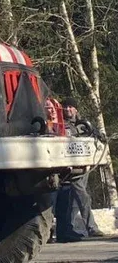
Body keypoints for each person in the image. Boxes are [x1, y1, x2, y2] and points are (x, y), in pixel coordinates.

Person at [54, 97, 106, 242]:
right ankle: (87, 228)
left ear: (76, 109)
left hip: (82, 167)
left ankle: (73, 229)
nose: (68, 109)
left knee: (76, 199)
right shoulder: (60, 125)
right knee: (77, 198)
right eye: (66, 107)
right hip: (67, 169)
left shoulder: (83, 125)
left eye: (71, 107)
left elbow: (96, 136)